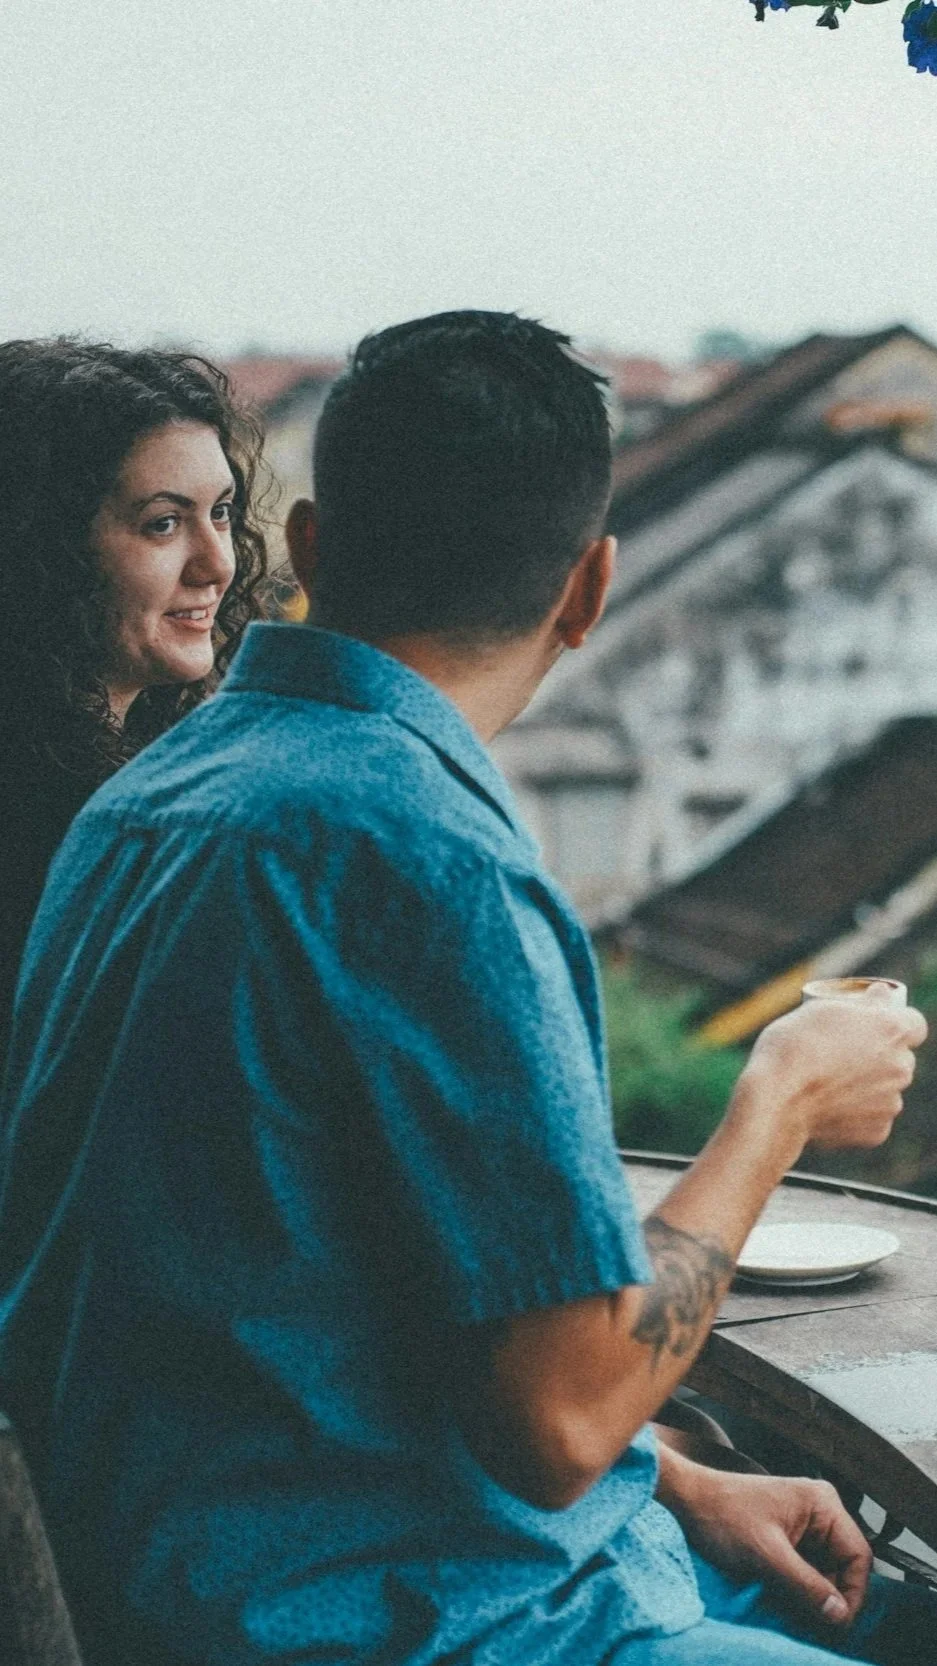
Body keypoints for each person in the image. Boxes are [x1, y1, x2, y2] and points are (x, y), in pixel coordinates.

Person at [0, 310, 931, 1666]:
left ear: (307, 547)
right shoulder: (422, 856)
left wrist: (670, 1484)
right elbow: (557, 1423)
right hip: (419, 1619)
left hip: (208, 1562)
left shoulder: (153, 794)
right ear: (590, 587)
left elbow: (309, 1286)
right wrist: (778, 1098)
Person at [0, 338, 269, 1068]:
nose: (218, 563)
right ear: (39, 549)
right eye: (162, 523)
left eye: (221, 513)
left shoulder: (149, 781)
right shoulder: (54, 830)